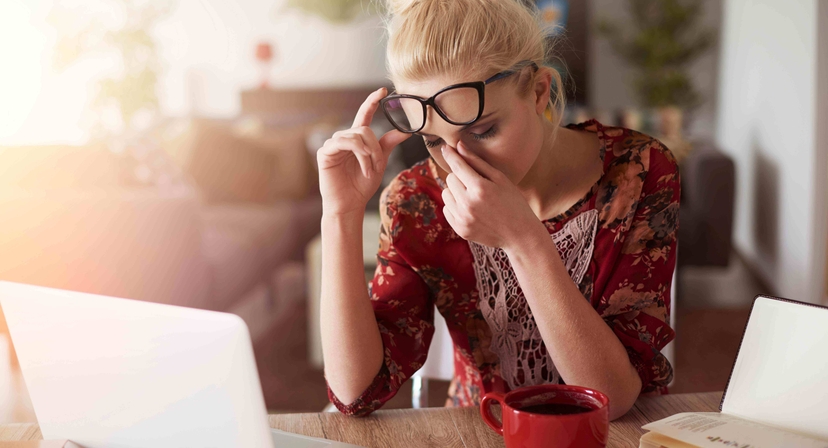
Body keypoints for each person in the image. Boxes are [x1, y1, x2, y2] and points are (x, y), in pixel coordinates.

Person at [317, 0, 679, 421]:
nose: (459, 161)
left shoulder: (638, 170)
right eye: (434, 141)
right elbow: (356, 393)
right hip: (481, 429)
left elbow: (611, 399)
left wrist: (523, 240)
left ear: (540, 90)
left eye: (482, 130)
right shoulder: (417, 201)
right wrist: (339, 215)